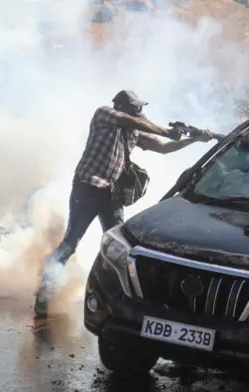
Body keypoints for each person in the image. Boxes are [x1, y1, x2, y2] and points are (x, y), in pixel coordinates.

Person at [34, 89, 213, 317]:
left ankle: (113, 301)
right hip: (87, 189)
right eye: (136, 108)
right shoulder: (105, 114)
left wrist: (193, 139)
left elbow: (162, 147)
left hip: (111, 196)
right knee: (70, 243)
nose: (140, 112)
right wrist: (168, 131)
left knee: (118, 249)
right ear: (121, 106)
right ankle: (43, 296)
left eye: (140, 108)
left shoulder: (133, 131)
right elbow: (133, 122)